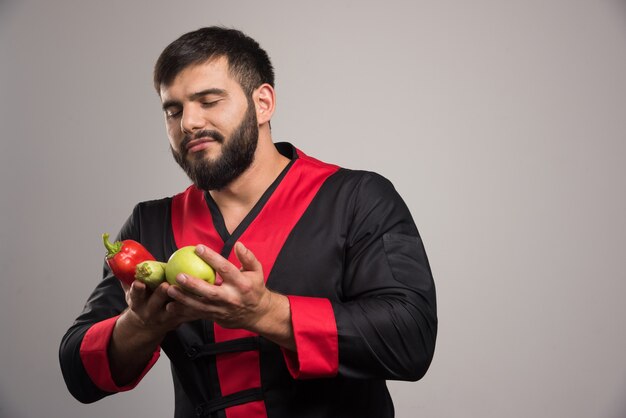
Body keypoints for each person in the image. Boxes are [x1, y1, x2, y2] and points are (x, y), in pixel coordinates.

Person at [59, 26, 437, 418]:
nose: (188, 122)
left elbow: (411, 340)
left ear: (263, 103)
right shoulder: (149, 224)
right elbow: (77, 373)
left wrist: (267, 312)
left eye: (208, 101)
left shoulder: (358, 198)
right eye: (173, 110)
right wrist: (139, 325)